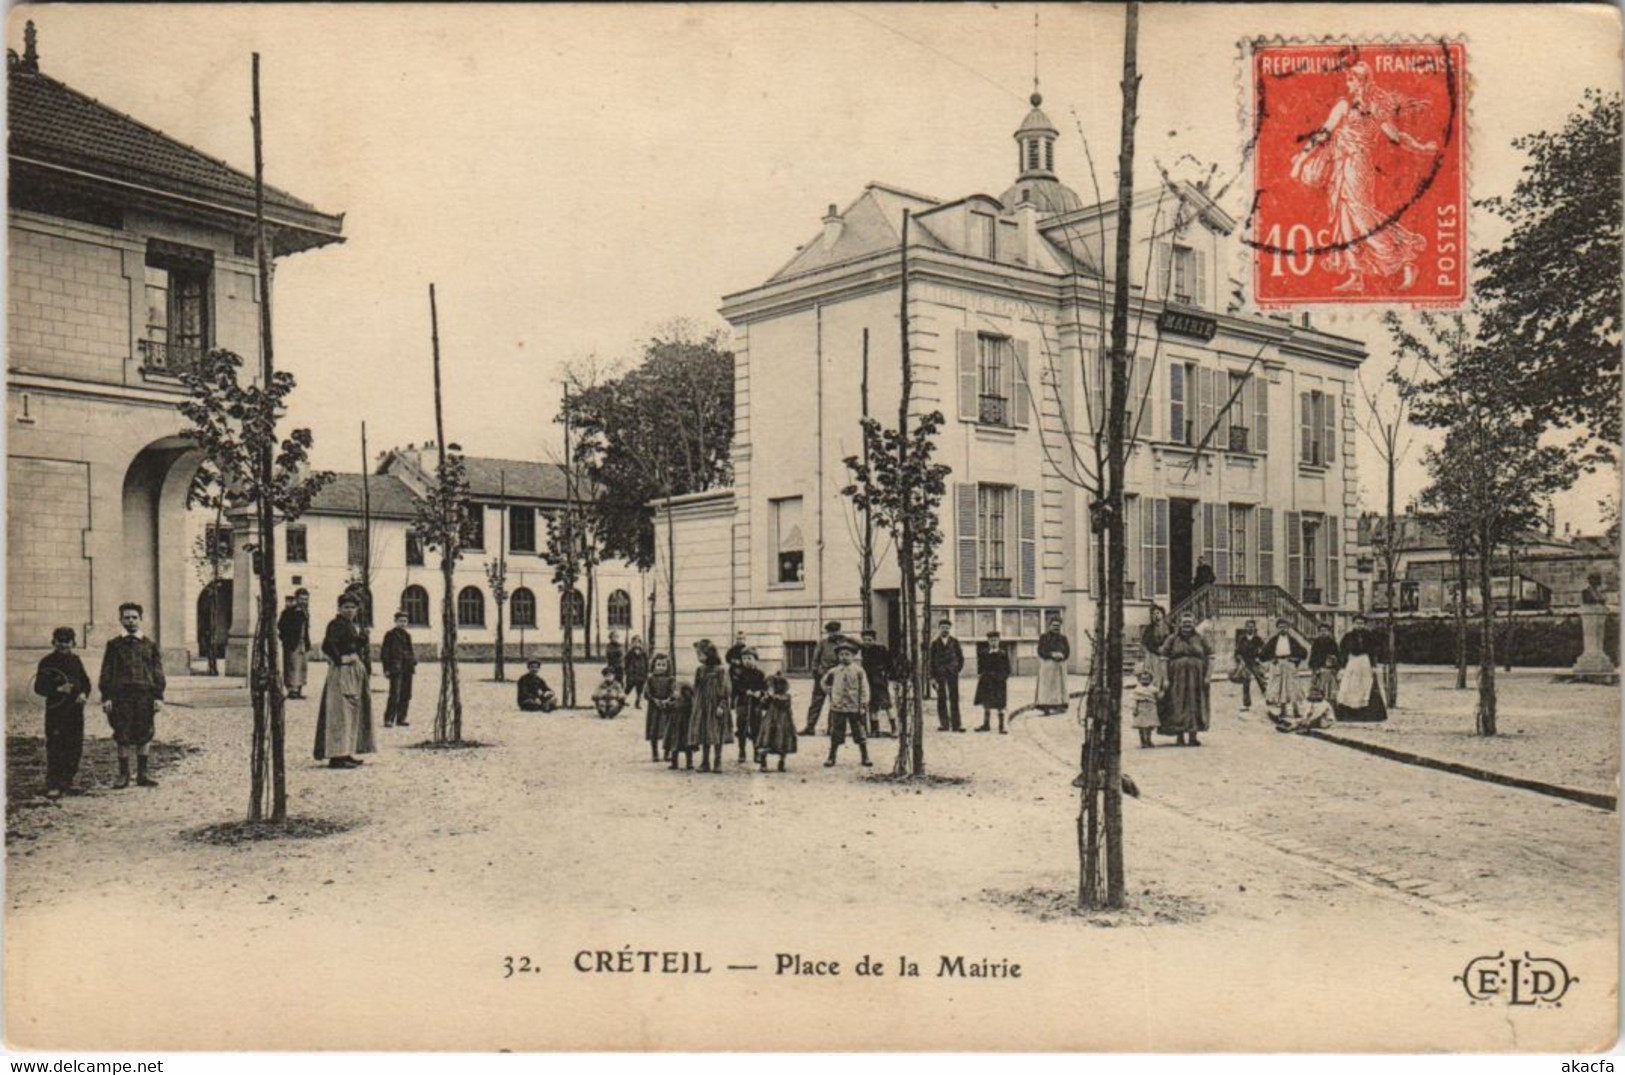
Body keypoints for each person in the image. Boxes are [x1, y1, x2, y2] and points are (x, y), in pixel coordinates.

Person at [1290, 60, 1435, 293]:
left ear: (1362, 82)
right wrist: (1301, 159)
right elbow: (1323, 134)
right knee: (1344, 218)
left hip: (1358, 166)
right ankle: (1356, 274)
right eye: (1348, 79)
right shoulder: (1343, 106)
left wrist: (1421, 147)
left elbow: (1396, 137)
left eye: (1352, 79)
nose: (1348, 84)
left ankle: (1405, 257)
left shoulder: (1375, 108)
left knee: (1361, 216)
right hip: (1340, 165)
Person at [99, 602, 166, 788]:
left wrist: (158, 696)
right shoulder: (114, 645)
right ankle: (124, 775)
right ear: (120, 619)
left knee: (145, 733)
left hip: (144, 696)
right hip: (121, 697)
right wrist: (107, 697)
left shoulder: (149, 645)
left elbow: (157, 672)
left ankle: (143, 774)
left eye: (134, 617)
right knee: (122, 733)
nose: (131, 621)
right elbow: (106, 672)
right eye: (127, 617)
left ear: (141, 619)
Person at [314, 592, 375, 769]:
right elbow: (328, 645)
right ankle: (337, 756)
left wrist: (361, 641)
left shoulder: (349, 625)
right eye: (346, 607)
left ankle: (346, 751)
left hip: (351, 671)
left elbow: (351, 644)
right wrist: (340, 659)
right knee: (339, 712)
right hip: (343, 672)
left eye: (353, 607)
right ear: (339, 608)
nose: (350, 610)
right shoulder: (336, 624)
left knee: (350, 712)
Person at [35, 626, 91, 797]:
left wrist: (83, 694)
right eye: (60, 641)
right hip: (56, 711)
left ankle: (67, 781)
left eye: (67, 641)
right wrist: (58, 689)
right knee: (56, 746)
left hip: (75, 711)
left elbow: (86, 682)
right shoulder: (47, 662)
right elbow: (39, 687)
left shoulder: (75, 661)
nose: (64, 645)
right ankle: (53, 784)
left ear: (73, 643)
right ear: (54, 642)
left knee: (74, 746)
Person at [1158, 612, 1212, 746]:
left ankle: (1193, 736)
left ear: (1194, 624)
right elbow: (1163, 659)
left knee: (1195, 704)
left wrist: (1208, 676)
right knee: (1177, 703)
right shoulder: (1172, 639)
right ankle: (1179, 736)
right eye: (1184, 623)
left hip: (1197, 679)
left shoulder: (1201, 638)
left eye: (1189, 623)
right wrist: (1165, 678)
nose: (1187, 626)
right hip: (1177, 678)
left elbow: (1211, 657)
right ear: (1179, 624)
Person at [821, 641, 872, 768]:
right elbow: (823, 681)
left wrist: (863, 704)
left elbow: (865, 689)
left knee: (859, 731)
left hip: (855, 707)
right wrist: (827, 689)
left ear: (854, 656)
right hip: (838, 706)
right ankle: (831, 757)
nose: (844, 657)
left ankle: (865, 756)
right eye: (841, 654)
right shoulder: (834, 671)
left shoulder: (859, 671)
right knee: (836, 732)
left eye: (847, 654)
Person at [689, 639, 733, 773]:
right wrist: (695, 705)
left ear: (710, 654)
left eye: (700, 654)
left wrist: (722, 705)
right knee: (704, 733)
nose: (698, 657)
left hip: (716, 706)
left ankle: (717, 761)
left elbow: (726, 690)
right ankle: (705, 761)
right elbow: (696, 688)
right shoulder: (700, 670)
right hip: (703, 706)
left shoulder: (721, 671)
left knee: (717, 732)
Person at [1335, 614, 1389, 723]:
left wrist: (1373, 665)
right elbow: (1343, 652)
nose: (1359, 625)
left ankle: (1367, 713)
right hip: (1353, 662)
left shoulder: (1369, 636)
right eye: (1357, 623)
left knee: (1366, 685)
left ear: (1364, 624)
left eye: (1361, 623)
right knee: (1350, 685)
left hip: (1365, 662)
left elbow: (1373, 651)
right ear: (1353, 624)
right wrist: (1342, 666)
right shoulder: (1348, 636)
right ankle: (1349, 714)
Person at [801, 621, 845, 736]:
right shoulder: (822, 643)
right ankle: (810, 727)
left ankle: (832, 728)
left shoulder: (843, 643)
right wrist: (816, 673)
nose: (833, 634)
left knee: (835, 702)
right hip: (822, 677)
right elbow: (815, 659)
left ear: (839, 630)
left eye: (835, 631)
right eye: (831, 632)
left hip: (837, 677)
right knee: (816, 702)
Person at [1262, 617, 1307, 723]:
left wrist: (1295, 659)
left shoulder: (1292, 640)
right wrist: (1273, 659)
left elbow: (1303, 652)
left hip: (1289, 665)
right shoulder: (1273, 640)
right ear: (1277, 628)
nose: (1283, 629)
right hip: (1278, 665)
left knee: (1293, 687)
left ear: (1288, 628)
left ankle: (1296, 711)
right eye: (1281, 627)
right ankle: (1283, 711)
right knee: (1281, 688)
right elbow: (1264, 653)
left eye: (1285, 627)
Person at [927, 619, 965, 732]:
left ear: (950, 629)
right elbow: (931, 661)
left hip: (952, 673)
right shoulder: (934, 644)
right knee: (941, 698)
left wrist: (956, 669)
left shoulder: (955, 642)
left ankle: (956, 725)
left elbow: (960, 657)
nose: (945, 630)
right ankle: (944, 724)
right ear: (939, 628)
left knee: (954, 698)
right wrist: (932, 677)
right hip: (940, 674)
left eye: (947, 627)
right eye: (943, 627)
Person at [380, 610, 416, 728]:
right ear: (395, 621)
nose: (403, 623)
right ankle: (389, 719)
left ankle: (401, 718)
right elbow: (385, 653)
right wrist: (386, 668)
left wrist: (413, 661)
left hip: (407, 669)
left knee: (406, 694)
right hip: (395, 668)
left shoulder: (407, 636)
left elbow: (410, 651)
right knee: (395, 694)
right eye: (400, 621)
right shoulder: (390, 635)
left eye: (405, 621)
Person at [755, 674, 798, 772]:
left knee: (782, 741)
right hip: (770, 721)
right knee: (766, 740)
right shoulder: (770, 696)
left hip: (782, 722)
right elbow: (763, 706)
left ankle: (782, 762)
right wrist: (764, 699)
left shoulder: (786, 697)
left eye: (771, 686)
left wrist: (771, 697)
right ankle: (763, 762)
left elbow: (782, 702)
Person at [731, 649, 767, 764]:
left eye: (749, 658)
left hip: (756, 705)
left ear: (755, 659)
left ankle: (756, 752)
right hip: (743, 704)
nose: (747, 661)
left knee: (756, 728)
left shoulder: (760, 674)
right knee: (741, 728)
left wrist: (759, 693)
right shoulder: (739, 674)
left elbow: (764, 688)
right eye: (744, 658)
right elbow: (736, 687)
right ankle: (742, 751)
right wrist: (745, 691)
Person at [972, 631, 1012, 734]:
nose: (993, 642)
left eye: (995, 640)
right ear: (988, 641)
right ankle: (986, 725)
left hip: (999, 683)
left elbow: (1007, 669)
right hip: (987, 682)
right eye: (991, 640)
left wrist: (1002, 678)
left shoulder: (1003, 654)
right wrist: (981, 676)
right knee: (986, 704)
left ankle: (1001, 726)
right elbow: (980, 667)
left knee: (1000, 705)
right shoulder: (984, 653)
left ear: (999, 641)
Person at [278, 588, 313, 699]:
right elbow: (281, 626)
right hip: (292, 643)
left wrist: (307, 643)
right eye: (302, 599)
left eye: (306, 599)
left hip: (302, 643)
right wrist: (286, 639)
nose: (304, 601)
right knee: (292, 666)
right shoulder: (288, 612)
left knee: (302, 666)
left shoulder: (305, 612)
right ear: (296, 599)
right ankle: (291, 689)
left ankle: (298, 689)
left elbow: (306, 629)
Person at [859, 628, 894, 737]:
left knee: (886, 704)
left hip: (879, 680)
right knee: (872, 705)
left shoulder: (881, 649)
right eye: (865, 640)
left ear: (874, 640)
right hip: (868, 681)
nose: (867, 642)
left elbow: (889, 663)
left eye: (869, 640)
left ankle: (894, 728)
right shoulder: (863, 650)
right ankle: (875, 730)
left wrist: (886, 674)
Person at [643, 653, 677, 761]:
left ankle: (667, 753)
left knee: (668, 730)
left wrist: (667, 700)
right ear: (653, 665)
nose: (661, 667)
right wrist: (654, 699)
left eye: (663, 665)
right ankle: (655, 753)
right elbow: (647, 693)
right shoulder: (650, 679)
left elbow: (673, 692)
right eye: (658, 665)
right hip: (654, 708)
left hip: (666, 708)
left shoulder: (671, 679)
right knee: (654, 730)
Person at [1035, 617, 1070, 713]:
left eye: (1058, 626)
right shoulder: (1044, 637)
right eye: (1054, 626)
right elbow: (1040, 651)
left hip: (1060, 666)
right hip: (1047, 666)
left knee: (1059, 686)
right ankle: (1045, 706)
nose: (1056, 628)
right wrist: (1051, 655)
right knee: (1047, 687)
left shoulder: (1063, 638)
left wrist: (1062, 656)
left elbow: (1067, 652)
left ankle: (1059, 705)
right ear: (1049, 626)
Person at [1232, 619, 1266, 711]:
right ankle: (1246, 704)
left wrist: (1259, 658)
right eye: (1248, 626)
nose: (1250, 628)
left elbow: (1264, 650)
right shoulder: (1242, 639)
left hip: (1255, 662)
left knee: (1262, 681)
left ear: (1254, 628)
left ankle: (1269, 699)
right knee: (1246, 683)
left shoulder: (1257, 639)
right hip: (1245, 663)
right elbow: (1237, 652)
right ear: (1245, 628)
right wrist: (1240, 660)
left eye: (1252, 626)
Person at [1129, 668, 1162, 749]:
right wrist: (1134, 709)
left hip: (1151, 709)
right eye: (1143, 679)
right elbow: (1135, 700)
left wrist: (1162, 691)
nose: (1145, 681)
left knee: (1149, 727)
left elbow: (1158, 697)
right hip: (1141, 709)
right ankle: (1143, 741)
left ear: (1151, 680)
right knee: (1141, 727)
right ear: (1139, 680)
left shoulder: (1153, 689)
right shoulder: (1138, 689)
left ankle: (1148, 740)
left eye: (1147, 679)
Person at [667, 683, 697, 771]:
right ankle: (674, 763)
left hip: (686, 727)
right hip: (677, 726)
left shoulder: (691, 702)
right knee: (675, 745)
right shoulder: (678, 701)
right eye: (685, 691)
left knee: (688, 746)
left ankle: (689, 763)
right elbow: (668, 707)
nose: (687, 693)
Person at [1308, 622, 1341, 700]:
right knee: (1318, 688)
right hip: (1319, 669)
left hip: (1330, 670)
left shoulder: (1333, 643)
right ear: (1319, 632)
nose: (1323, 633)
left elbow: (1338, 656)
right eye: (1321, 631)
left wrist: (1335, 666)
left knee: (1331, 690)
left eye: (1325, 631)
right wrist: (1315, 668)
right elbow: (1313, 657)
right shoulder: (1316, 643)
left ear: (1329, 632)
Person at [1140, 605, 1170, 688]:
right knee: (1155, 680)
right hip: (1154, 657)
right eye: (1153, 614)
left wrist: (1166, 648)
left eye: (1158, 613)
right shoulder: (1149, 629)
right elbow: (1145, 643)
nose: (1156, 615)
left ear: (1162, 614)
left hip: (1167, 656)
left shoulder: (1170, 627)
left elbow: (1173, 640)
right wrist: (1156, 649)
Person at [624, 636, 650, 709]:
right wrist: (627, 671)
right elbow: (626, 663)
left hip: (641, 674)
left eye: (638, 642)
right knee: (628, 689)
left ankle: (637, 703)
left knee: (640, 690)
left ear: (640, 643)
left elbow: (647, 663)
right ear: (632, 643)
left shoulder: (644, 653)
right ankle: (622, 700)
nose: (636, 644)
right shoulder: (630, 653)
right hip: (632, 675)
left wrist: (646, 672)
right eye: (634, 642)